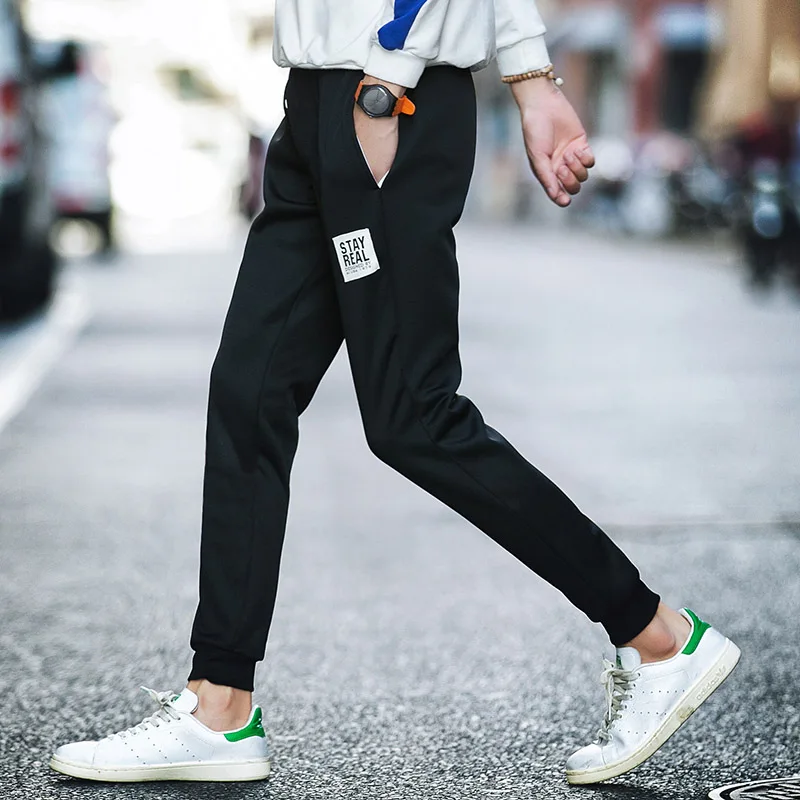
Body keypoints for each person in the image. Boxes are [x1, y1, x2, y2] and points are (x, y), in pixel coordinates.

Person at [49, 0, 740, 786]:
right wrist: (528, 74)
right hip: (319, 102)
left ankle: (657, 635)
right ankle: (219, 706)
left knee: (414, 415)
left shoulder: (385, 88)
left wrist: (387, 84)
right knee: (249, 391)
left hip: (384, 98)